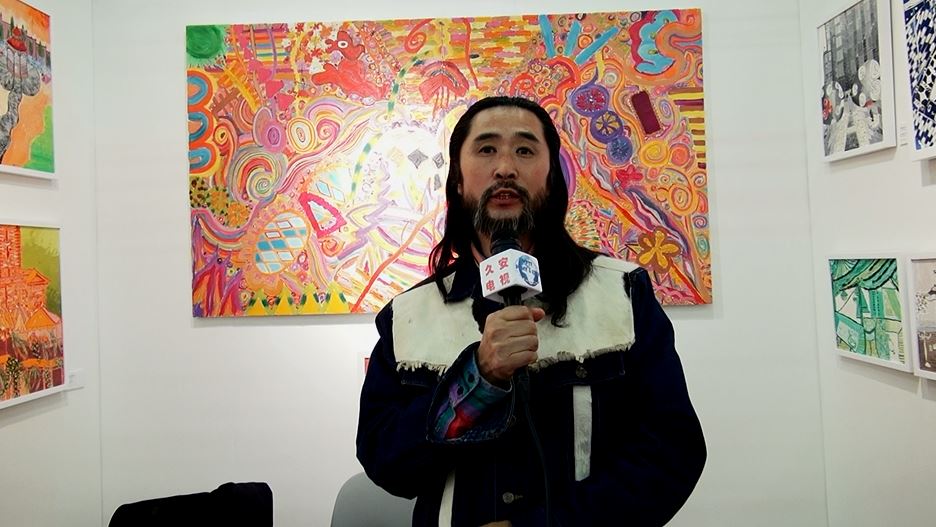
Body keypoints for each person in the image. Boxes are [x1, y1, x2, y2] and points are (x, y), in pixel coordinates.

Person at [356, 96, 706, 527]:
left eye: (525, 150)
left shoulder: (622, 292)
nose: (505, 167)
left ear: (552, 178)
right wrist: (478, 376)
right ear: (459, 180)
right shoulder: (408, 315)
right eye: (487, 149)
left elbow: (671, 452)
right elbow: (386, 463)